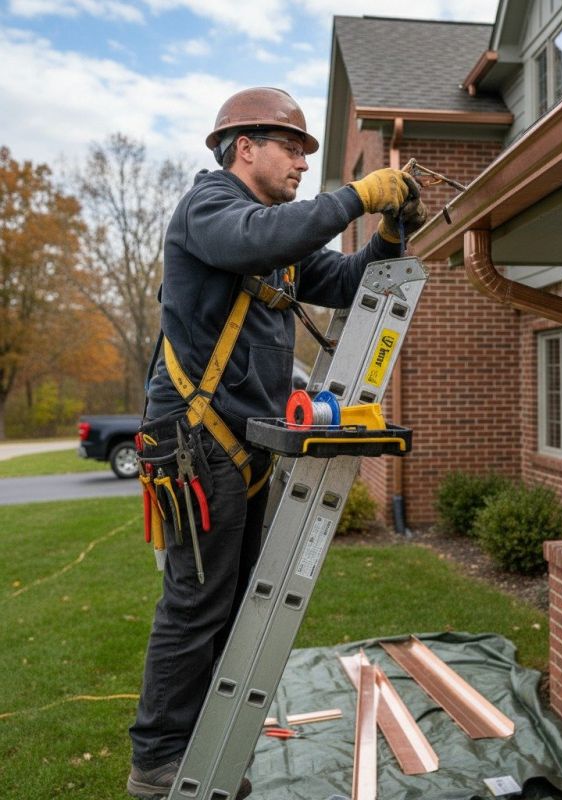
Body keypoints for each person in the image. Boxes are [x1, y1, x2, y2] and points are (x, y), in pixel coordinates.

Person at [127, 86, 426, 800]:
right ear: (244, 148)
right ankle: (159, 759)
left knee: (235, 604)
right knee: (196, 603)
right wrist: (359, 193)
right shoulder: (209, 209)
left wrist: (389, 231)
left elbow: (352, 282)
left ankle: (207, 738)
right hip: (196, 443)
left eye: (304, 151)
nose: (301, 162)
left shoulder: (279, 244)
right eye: (290, 147)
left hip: (245, 445)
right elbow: (259, 239)